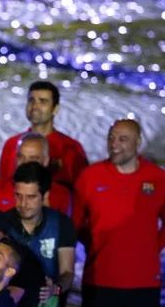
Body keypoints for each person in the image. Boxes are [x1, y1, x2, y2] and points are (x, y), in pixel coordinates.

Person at [72, 119, 165, 307]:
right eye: (111, 138)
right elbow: (75, 224)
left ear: (138, 142)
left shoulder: (158, 178)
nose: (114, 144)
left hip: (144, 282)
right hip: (99, 281)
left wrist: (151, 249)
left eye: (122, 139)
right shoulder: (89, 177)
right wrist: (96, 244)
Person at [6, 162, 76, 306]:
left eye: (31, 197)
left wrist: (55, 289)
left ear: (45, 196)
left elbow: (67, 272)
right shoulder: (3, 223)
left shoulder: (61, 224)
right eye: (18, 195)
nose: (23, 203)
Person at [0, 81, 88, 189]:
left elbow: (82, 192)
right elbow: (3, 188)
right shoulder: (11, 144)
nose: (35, 106)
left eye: (43, 102)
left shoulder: (71, 148)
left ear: (55, 109)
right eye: (31, 100)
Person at [0, 132, 72, 214]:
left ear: (46, 161)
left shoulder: (61, 194)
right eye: (21, 157)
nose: (25, 163)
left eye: (33, 158)